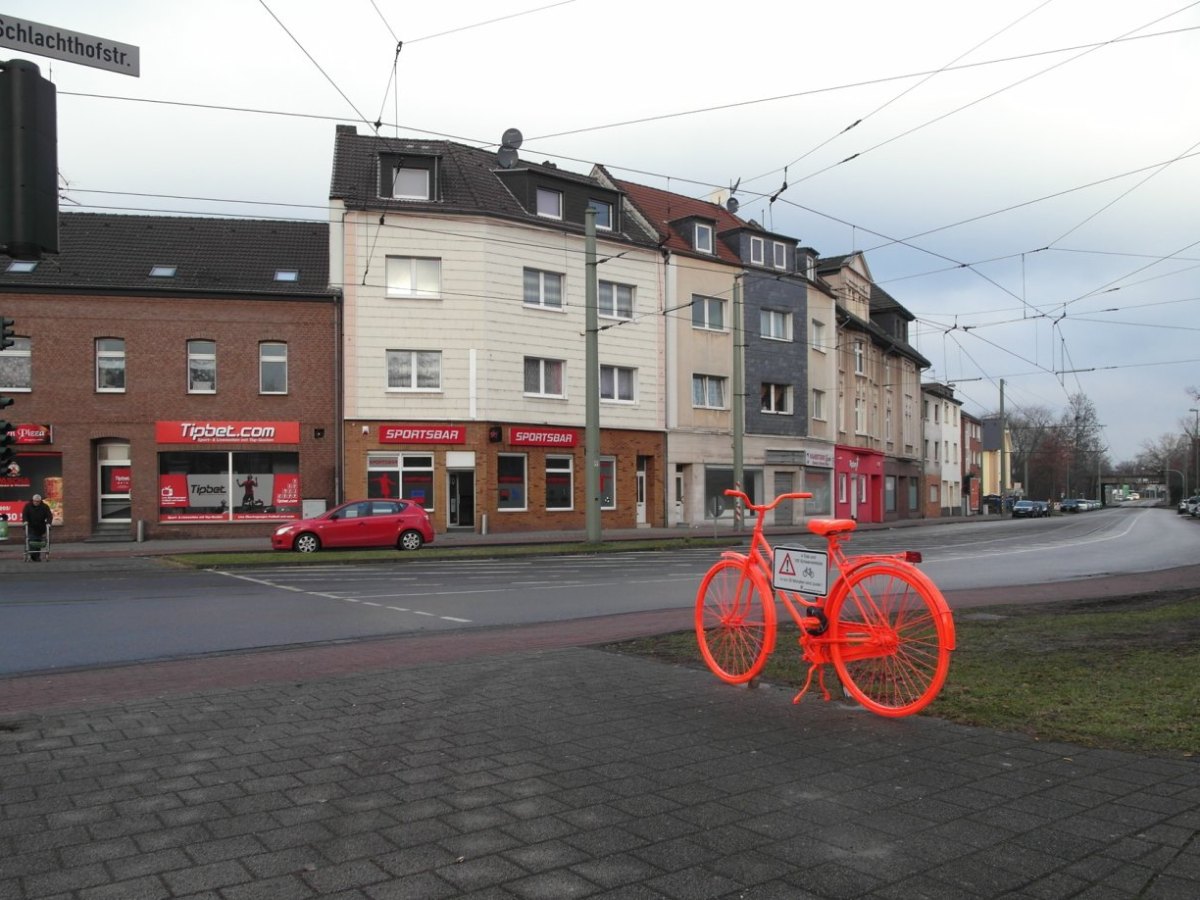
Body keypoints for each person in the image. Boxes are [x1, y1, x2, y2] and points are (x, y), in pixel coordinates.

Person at [22, 493, 53, 562]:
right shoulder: (28, 506)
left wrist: (48, 523)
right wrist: (25, 521)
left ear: (40, 501)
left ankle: (37, 556)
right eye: (35, 501)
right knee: (32, 540)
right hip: (31, 526)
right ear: (32, 500)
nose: (36, 502)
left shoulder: (44, 507)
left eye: (38, 501)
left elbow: (49, 516)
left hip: (40, 527)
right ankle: (33, 555)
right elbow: (25, 514)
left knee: (38, 541)